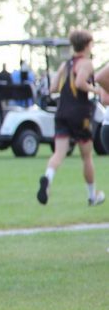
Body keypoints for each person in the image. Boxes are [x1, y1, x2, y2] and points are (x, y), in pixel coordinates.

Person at [37, 29, 104, 207]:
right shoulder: (86, 63)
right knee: (87, 156)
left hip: (61, 112)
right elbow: (80, 82)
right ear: (87, 45)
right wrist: (96, 90)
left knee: (59, 153)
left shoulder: (64, 65)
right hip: (79, 112)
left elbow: (53, 88)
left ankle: (47, 178)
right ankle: (92, 196)